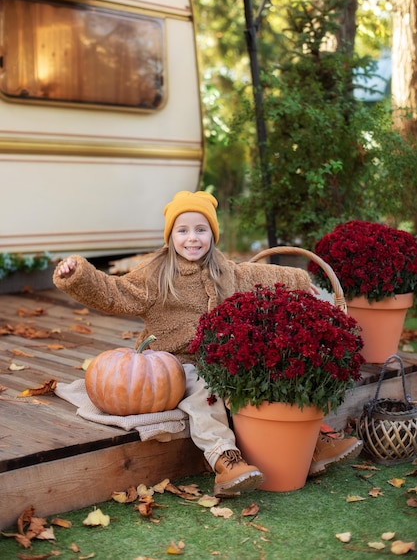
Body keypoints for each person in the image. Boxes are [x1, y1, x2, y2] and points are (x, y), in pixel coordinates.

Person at [54, 190, 362, 496]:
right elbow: (114, 292)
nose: (192, 238)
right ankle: (225, 459)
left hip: (220, 361)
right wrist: (79, 276)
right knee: (206, 393)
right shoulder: (156, 274)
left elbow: (253, 273)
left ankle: (309, 447)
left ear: (212, 235)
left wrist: (296, 280)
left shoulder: (223, 269)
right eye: (183, 230)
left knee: (264, 378)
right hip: (176, 364)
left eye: (201, 230)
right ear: (171, 236)